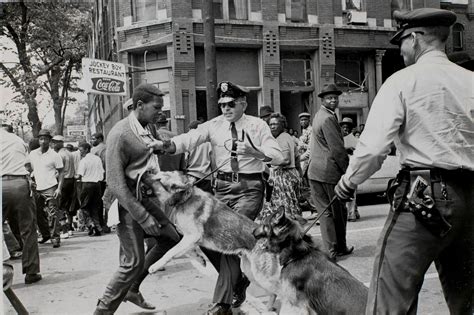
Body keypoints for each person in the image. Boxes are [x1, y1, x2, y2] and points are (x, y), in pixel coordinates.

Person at [334, 8, 473, 314]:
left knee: (390, 297)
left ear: (415, 38)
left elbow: (372, 150)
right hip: (470, 200)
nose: (401, 50)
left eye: (401, 42)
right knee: (466, 299)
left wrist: (347, 183)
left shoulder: (402, 81)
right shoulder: (471, 81)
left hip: (424, 198)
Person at [149, 81, 283, 315]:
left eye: (231, 104)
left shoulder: (257, 125)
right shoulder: (214, 125)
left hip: (249, 187)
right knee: (218, 243)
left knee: (231, 236)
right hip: (221, 187)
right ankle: (238, 282)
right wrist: (165, 145)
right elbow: (189, 139)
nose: (226, 109)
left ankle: (222, 303)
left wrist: (256, 152)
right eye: (222, 105)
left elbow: (278, 156)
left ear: (243, 103)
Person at [94, 83, 181, 314]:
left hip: (144, 197)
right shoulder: (120, 134)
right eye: (157, 107)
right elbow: (115, 183)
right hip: (125, 203)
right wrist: (142, 217)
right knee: (131, 262)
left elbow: (146, 161)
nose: (161, 112)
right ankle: (102, 310)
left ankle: (132, 289)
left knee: (171, 238)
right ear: (139, 105)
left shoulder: (148, 127)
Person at [308, 84, 352, 261]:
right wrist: (347, 171)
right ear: (323, 100)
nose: (333, 100)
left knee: (325, 212)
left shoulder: (318, 115)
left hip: (314, 171)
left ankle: (333, 249)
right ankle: (335, 250)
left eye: (335, 97)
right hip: (329, 172)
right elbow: (337, 150)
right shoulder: (328, 118)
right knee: (337, 213)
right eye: (329, 98)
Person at [1, 128, 42, 284]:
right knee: (28, 229)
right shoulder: (17, 140)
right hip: (19, 183)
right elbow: (28, 165)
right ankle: (31, 272)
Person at [258, 113, 303, 224]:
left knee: (283, 209)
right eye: (270, 124)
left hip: (284, 176)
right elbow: (296, 159)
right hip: (291, 174)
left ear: (283, 125)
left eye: (275, 124)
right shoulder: (288, 137)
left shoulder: (282, 138)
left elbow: (286, 160)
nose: (272, 127)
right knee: (291, 207)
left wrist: (267, 161)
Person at [28, 129, 65, 248]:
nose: (43, 141)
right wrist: (29, 179)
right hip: (37, 188)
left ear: (50, 141)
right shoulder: (33, 154)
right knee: (37, 213)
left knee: (53, 213)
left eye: (46, 139)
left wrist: (59, 188)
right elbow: (27, 168)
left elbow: (61, 172)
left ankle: (55, 238)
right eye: (41, 139)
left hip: (51, 187)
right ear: (38, 140)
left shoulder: (55, 155)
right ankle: (45, 234)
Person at [77, 142, 105, 236]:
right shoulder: (97, 159)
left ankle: (91, 224)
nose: (80, 152)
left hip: (87, 184)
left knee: (84, 207)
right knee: (95, 207)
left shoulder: (84, 161)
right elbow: (102, 173)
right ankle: (98, 227)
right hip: (97, 185)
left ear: (86, 149)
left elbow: (79, 175)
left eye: (81, 150)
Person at [52, 135, 77, 237]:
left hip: (63, 181)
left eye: (54, 142)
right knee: (69, 205)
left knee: (60, 205)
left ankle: (65, 230)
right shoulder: (69, 153)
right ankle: (70, 227)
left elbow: (59, 171)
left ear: (59, 143)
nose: (53, 145)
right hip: (71, 180)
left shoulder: (59, 155)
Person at [339, 118, 360, 222]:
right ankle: (354, 211)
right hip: (342, 168)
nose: (345, 129)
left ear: (351, 129)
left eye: (348, 127)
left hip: (352, 168)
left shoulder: (355, 141)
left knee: (351, 191)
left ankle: (351, 214)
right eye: (343, 127)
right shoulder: (339, 140)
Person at [185, 120, 214, 193]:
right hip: (206, 177)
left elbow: (185, 160)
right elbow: (213, 161)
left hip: (191, 177)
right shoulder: (208, 143)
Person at [91, 132, 109, 233]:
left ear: (99, 139)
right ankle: (107, 223)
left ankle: (100, 224)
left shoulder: (94, 150)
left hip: (98, 179)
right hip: (109, 178)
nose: (92, 141)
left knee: (98, 203)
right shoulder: (108, 147)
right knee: (107, 201)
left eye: (94, 139)